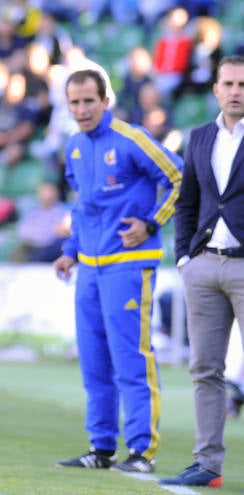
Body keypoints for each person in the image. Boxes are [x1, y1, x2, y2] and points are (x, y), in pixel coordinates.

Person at [53, 69, 183, 473]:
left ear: (105, 100)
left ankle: (142, 452)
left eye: (89, 100)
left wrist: (151, 222)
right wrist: (70, 250)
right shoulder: (74, 147)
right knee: (94, 363)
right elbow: (84, 206)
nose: (82, 109)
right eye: (74, 102)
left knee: (131, 358)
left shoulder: (132, 139)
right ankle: (102, 448)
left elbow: (179, 178)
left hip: (128, 267)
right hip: (89, 269)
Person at [160, 55, 244, 488]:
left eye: (242, 84)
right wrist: (184, 258)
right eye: (228, 83)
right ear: (215, 88)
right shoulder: (199, 137)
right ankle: (207, 464)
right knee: (204, 368)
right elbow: (186, 202)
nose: (235, 91)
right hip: (204, 264)